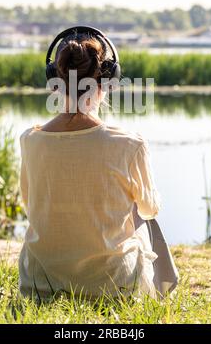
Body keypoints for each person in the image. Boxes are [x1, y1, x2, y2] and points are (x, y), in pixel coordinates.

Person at [18, 26, 178, 300]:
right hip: (114, 288)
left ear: (55, 80)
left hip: (38, 285)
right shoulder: (129, 144)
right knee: (141, 209)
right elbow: (150, 209)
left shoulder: (29, 140)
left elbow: (28, 202)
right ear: (107, 82)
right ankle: (164, 290)